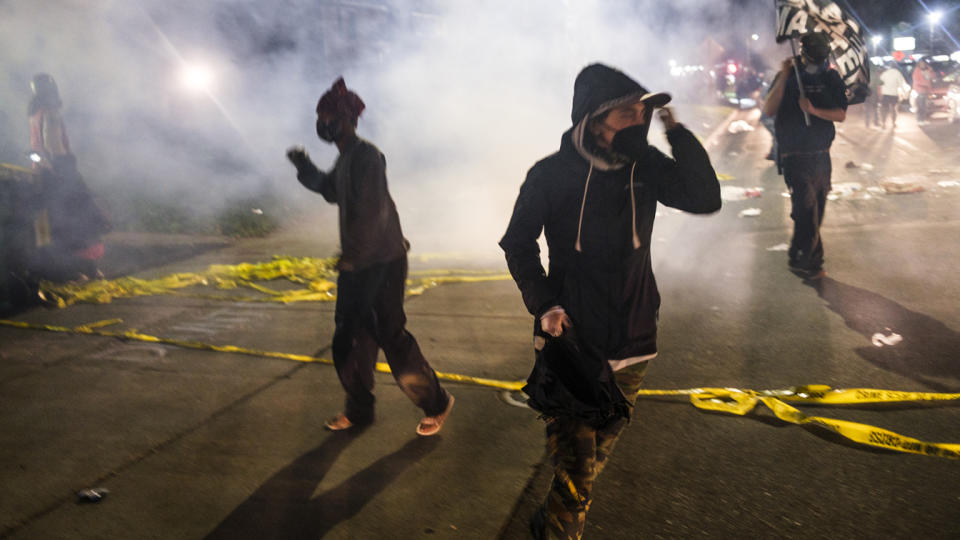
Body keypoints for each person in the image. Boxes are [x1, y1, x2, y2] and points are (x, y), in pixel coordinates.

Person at [500, 63, 721, 539]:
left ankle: (546, 524)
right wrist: (545, 305)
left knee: (589, 465)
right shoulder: (551, 174)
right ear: (593, 121)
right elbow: (517, 243)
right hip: (573, 343)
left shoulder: (646, 168)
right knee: (577, 480)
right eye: (627, 114)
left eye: (644, 113)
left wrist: (674, 130)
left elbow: (705, 197)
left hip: (636, 337)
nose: (639, 121)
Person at [286, 77, 453, 436]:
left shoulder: (367, 156)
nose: (322, 123)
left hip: (383, 263)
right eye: (320, 116)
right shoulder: (346, 159)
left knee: (390, 338)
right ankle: (359, 410)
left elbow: (373, 215)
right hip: (359, 264)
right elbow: (331, 192)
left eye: (327, 116)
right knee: (351, 339)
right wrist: (304, 166)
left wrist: (353, 258)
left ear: (345, 121)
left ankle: (437, 403)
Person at [763, 32, 847, 279]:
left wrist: (813, 110)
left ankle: (797, 253)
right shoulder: (787, 76)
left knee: (815, 211)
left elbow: (840, 114)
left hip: (821, 155)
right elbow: (769, 109)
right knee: (807, 208)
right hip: (794, 155)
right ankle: (811, 262)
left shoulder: (831, 76)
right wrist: (784, 76)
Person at [28, 73, 109, 282]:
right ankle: (84, 270)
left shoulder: (34, 113)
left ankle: (74, 270)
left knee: (56, 222)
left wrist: (41, 165)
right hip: (59, 169)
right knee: (78, 219)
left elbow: (37, 146)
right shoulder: (51, 112)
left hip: (42, 170)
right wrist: (61, 167)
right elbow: (54, 144)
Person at [877, 62, 909, 129]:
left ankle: (883, 123)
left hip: (885, 94)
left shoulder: (885, 73)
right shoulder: (897, 73)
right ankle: (893, 122)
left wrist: (880, 93)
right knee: (893, 109)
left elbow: (880, 83)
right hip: (894, 94)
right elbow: (901, 84)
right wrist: (905, 94)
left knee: (885, 109)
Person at [912, 59, 934, 125]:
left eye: (924, 63)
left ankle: (923, 119)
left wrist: (931, 70)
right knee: (920, 106)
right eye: (921, 64)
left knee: (925, 106)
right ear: (919, 64)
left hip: (926, 90)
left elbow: (931, 77)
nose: (923, 65)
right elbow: (916, 80)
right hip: (920, 90)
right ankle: (919, 120)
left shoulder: (927, 70)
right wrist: (925, 84)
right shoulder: (917, 71)